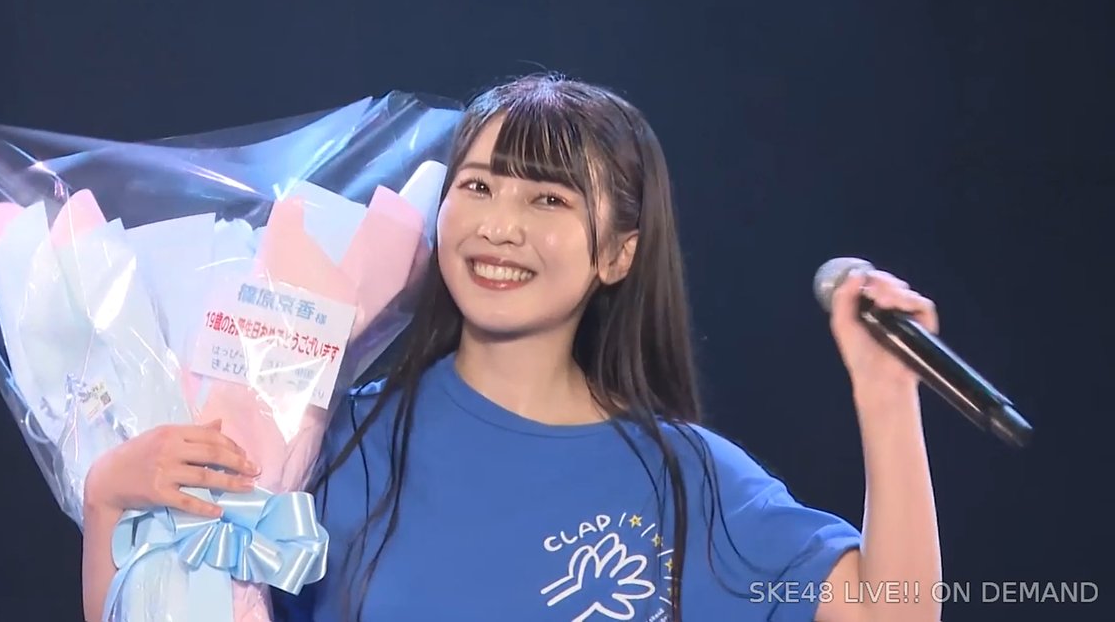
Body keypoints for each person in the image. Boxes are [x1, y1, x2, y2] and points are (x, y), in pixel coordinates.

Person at [81, 74, 942, 622]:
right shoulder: (330, 441)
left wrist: (887, 395)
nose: (499, 225)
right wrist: (111, 501)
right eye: (479, 186)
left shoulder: (688, 480)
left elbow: (892, 612)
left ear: (619, 252)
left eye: (548, 199)